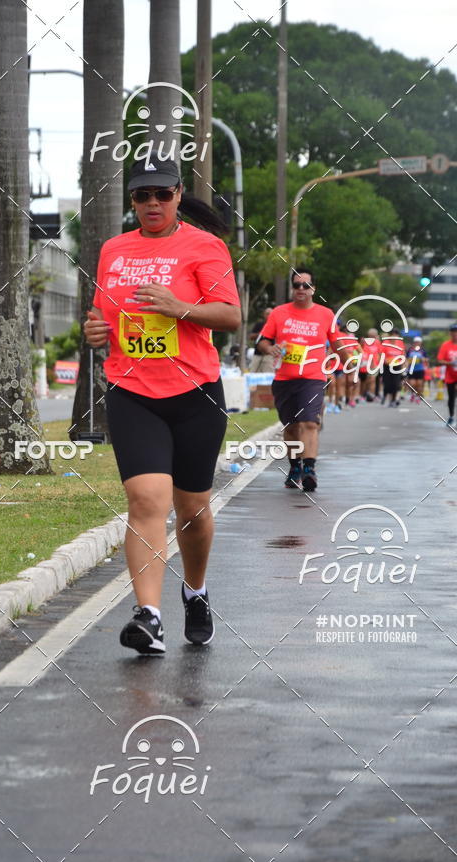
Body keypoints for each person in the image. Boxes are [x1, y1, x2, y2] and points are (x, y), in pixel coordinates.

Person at [84, 154, 241, 655]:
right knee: (147, 500)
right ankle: (148, 616)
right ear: (131, 200)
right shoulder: (114, 250)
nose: (152, 203)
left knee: (192, 507)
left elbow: (231, 316)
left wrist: (181, 309)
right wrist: (93, 330)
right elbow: (101, 313)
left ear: (178, 195)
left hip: (195, 392)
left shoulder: (205, 246)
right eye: (141, 195)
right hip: (132, 391)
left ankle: (194, 591)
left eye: (162, 194)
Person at [256, 269, 346, 491]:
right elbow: (262, 342)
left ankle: (310, 469)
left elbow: (337, 344)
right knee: (292, 427)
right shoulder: (278, 313)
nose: (301, 290)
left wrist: (351, 362)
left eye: (306, 285)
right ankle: (295, 465)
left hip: (313, 378)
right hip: (285, 378)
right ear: (292, 288)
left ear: (313, 289)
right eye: (297, 285)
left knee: (309, 422)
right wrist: (271, 348)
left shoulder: (326, 315)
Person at [437, 323, 457, 426]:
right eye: (453, 332)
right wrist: (450, 363)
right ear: (450, 333)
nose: (455, 334)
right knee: (451, 397)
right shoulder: (446, 345)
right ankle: (451, 416)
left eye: (456, 332)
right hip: (450, 375)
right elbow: (440, 360)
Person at [381, 328, 406, 407]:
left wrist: (403, 366)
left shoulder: (400, 343)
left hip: (397, 367)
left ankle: (394, 400)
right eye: (393, 335)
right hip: (387, 366)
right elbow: (381, 355)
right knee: (388, 384)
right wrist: (385, 360)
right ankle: (388, 398)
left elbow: (403, 355)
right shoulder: (385, 343)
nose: (394, 337)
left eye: (396, 335)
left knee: (396, 384)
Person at [405, 336, 427, 402]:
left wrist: (423, 359)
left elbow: (426, 359)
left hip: (420, 369)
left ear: (420, 343)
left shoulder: (422, 351)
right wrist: (406, 366)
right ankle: (413, 394)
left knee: (419, 384)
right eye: (416, 342)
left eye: (418, 342)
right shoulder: (410, 350)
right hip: (411, 369)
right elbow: (406, 359)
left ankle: (418, 396)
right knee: (412, 383)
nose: (417, 343)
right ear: (414, 343)